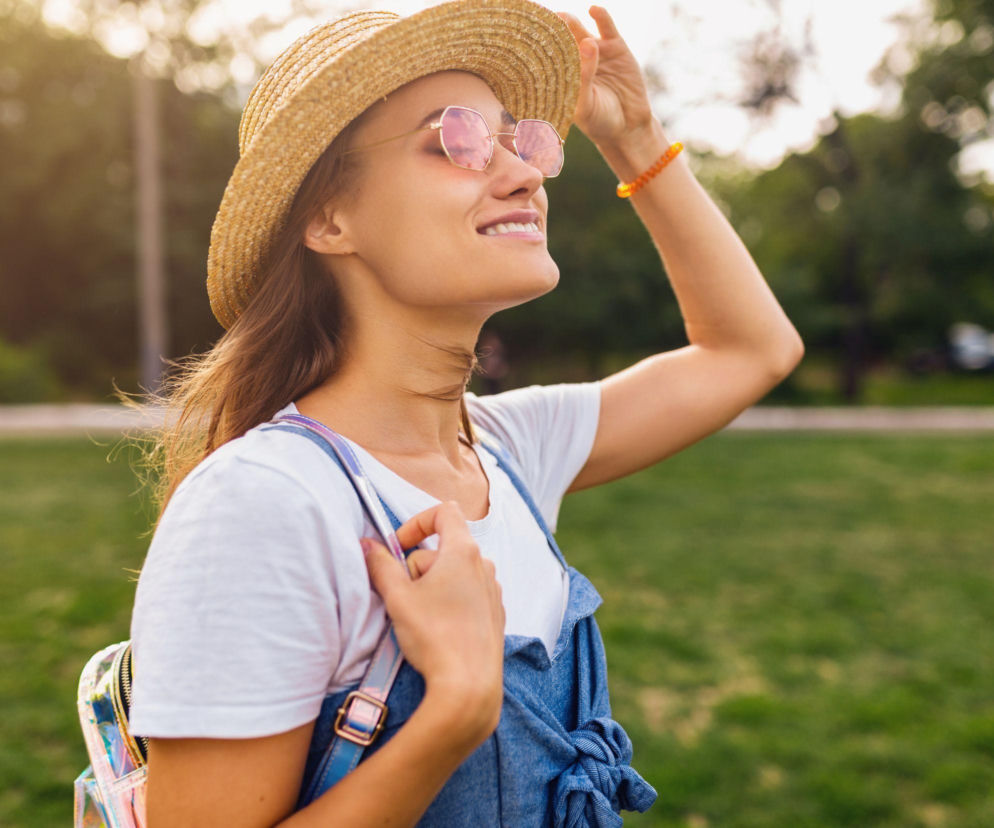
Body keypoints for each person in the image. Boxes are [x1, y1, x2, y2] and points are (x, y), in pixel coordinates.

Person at [128, 0, 804, 825]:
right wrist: (453, 711)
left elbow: (752, 349)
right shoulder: (265, 502)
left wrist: (634, 140)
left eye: (521, 139)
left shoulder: (507, 450)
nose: (525, 171)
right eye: (456, 137)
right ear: (328, 219)